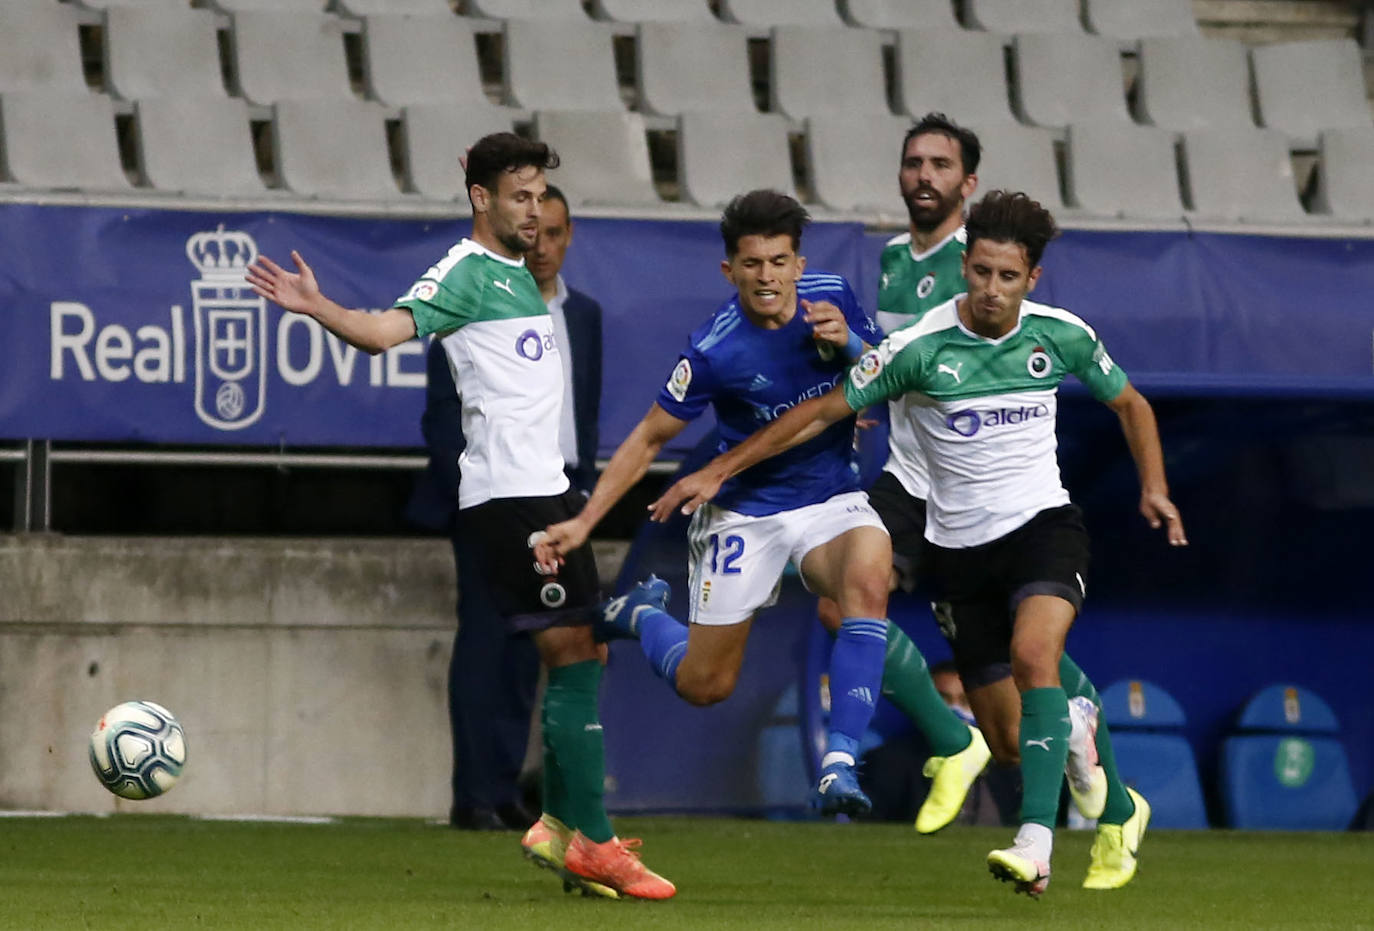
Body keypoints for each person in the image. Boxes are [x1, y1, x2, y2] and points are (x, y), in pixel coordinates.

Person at [649, 189, 1188, 897]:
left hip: (1042, 527)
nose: (991, 288)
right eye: (981, 271)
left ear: (1032, 278)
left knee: (1035, 656)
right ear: (965, 265)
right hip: (958, 550)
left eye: (1008, 276)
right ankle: (1111, 796)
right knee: (1007, 742)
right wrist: (722, 466)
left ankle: (1036, 843)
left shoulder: (1062, 335)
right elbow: (820, 412)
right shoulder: (917, 348)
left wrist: (1154, 486)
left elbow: (1131, 402)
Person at [246, 133, 673, 901]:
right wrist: (318, 307)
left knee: (581, 653)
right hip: (512, 499)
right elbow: (383, 332)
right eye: (519, 196)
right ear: (481, 198)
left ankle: (564, 830)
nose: (534, 211)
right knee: (575, 652)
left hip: (546, 490)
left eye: (539, 196)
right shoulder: (466, 271)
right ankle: (593, 842)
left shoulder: (518, 276)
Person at [535, 189, 982, 822]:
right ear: (729, 270)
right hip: (747, 513)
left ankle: (839, 760)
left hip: (829, 498)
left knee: (866, 577)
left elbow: (880, 379)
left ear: (800, 264)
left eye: (778, 262)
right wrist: (586, 520)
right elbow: (650, 436)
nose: (766, 277)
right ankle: (641, 615)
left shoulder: (833, 297)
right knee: (705, 685)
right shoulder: (715, 349)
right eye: (751, 264)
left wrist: (851, 346)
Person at [823, 113, 1128, 838]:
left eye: (940, 164)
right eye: (914, 162)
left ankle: (1092, 790)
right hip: (910, 472)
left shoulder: (982, 256)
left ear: (968, 183)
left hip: (975, 488)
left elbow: (967, 351)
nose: (924, 175)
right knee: (841, 600)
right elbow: (904, 356)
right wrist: (852, 354)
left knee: (1033, 659)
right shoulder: (893, 257)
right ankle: (955, 741)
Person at [407, 184, 603, 832]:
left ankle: (508, 787)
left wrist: (582, 494)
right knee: (487, 639)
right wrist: (474, 496)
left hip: (558, 493)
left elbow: (582, 415)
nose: (542, 245)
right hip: (492, 495)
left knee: (536, 646)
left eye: (555, 233)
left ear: (568, 237)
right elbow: (443, 414)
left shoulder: (585, 315)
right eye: (534, 230)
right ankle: (473, 794)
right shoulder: (474, 297)